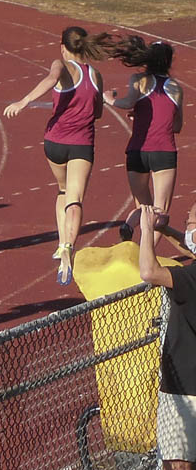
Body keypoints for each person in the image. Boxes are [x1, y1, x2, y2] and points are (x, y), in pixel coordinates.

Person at [3, 27, 109, 285]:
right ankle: (68, 248)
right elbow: (98, 113)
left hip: (55, 142)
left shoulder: (60, 65)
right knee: (75, 199)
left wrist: (23, 101)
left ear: (63, 46)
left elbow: (51, 79)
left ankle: (62, 243)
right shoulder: (96, 75)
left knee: (62, 191)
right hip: (82, 145)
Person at [103, 36, 183, 246]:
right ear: (168, 62)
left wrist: (109, 98)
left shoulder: (138, 80)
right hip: (163, 153)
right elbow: (176, 126)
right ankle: (146, 257)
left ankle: (129, 225)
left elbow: (128, 101)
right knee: (160, 214)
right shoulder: (175, 87)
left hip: (137, 152)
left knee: (144, 208)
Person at [138, 204, 196, 469]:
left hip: (184, 388)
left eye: (191, 224)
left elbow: (149, 272)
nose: (187, 228)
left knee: (178, 462)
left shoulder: (189, 280)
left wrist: (147, 230)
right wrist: (167, 230)